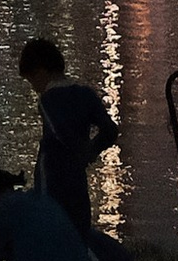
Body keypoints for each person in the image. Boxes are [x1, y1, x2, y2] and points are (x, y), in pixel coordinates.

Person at [20, 36, 120, 239]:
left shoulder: (47, 100)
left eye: (31, 80)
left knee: (50, 234)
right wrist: (90, 151)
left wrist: (78, 152)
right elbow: (110, 130)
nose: (34, 88)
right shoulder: (86, 94)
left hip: (53, 174)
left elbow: (60, 132)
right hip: (77, 176)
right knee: (78, 230)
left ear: (40, 71)